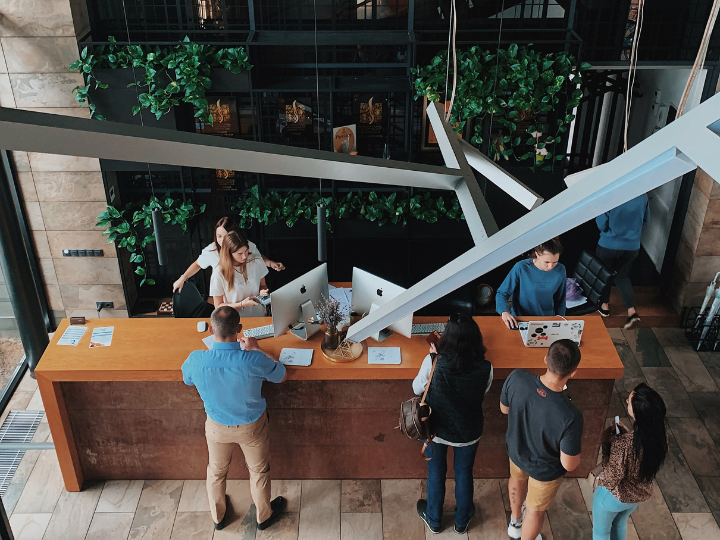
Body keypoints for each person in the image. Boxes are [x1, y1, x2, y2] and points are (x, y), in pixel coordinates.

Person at [181, 306, 287, 531]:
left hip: (217, 427)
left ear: (211, 330)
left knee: (216, 471)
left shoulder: (197, 359)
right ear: (239, 329)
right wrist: (257, 348)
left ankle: (218, 518)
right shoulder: (253, 360)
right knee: (258, 471)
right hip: (251, 427)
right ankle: (263, 517)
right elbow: (280, 374)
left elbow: (187, 379)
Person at [412, 313, 494, 534]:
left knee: (436, 473)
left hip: (435, 430)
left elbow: (417, 389)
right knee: (464, 474)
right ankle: (462, 520)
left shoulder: (433, 361)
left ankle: (434, 520)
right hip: (468, 431)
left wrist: (432, 359)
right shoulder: (487, 367)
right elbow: (483, 391)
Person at [500, 339, 583, 540]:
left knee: (517, 479)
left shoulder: (517, 377)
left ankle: (515, 522)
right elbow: (569, 464)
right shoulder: (570, 416)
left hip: (516, 451)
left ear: (545, 359)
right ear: (573, 372)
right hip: (544, 470)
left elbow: (504, 409)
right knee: (535, 511)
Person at [593, 383, 667, 540]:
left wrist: (607, 444)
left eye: (629, 401)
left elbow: (611, 479)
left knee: (601, 532)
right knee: (619, 524)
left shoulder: (624, 444)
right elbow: (639, 455)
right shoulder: (660, 437)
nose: (626, 400)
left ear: (638, 413)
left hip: (617, 496)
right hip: (639, 495)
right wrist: (628, 435)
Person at [173, 216, 284, 293]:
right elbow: (198, 264)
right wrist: (183, 277)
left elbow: (257, 258)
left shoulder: (246, 245)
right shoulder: (211, 251)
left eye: (226, 236)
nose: (222, 240)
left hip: (248, 289)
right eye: (219, 236)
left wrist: (270, 263)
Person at [595, 195, 649, 329]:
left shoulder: (612, 195)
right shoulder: (643, 196)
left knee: (605, 274)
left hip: (608, 245)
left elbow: (601, 224)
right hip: (632, 247)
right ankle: (631, 311)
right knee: (622, 276)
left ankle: (604, 306)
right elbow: (646, 220)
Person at [496, 237, 567, 330]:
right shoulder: (521, 268)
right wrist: (504, 312)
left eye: (555, 262)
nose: (550, 267)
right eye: (547, 262)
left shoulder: (560, 270)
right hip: (520, 320)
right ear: (537, 254)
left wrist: (560, 321)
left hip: (547, 320)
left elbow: (560, 300)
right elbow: (502, 293)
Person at [210, 232, 269, 317]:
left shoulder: (256, 261)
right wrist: (241, 304)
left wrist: (263, 291)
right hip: (234, 319)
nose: (244, 256)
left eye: (246, 251)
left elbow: (263, 285)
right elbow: (218, 306)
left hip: (258, 315)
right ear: (229, 253)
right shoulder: (219, 272)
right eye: (239, 253)